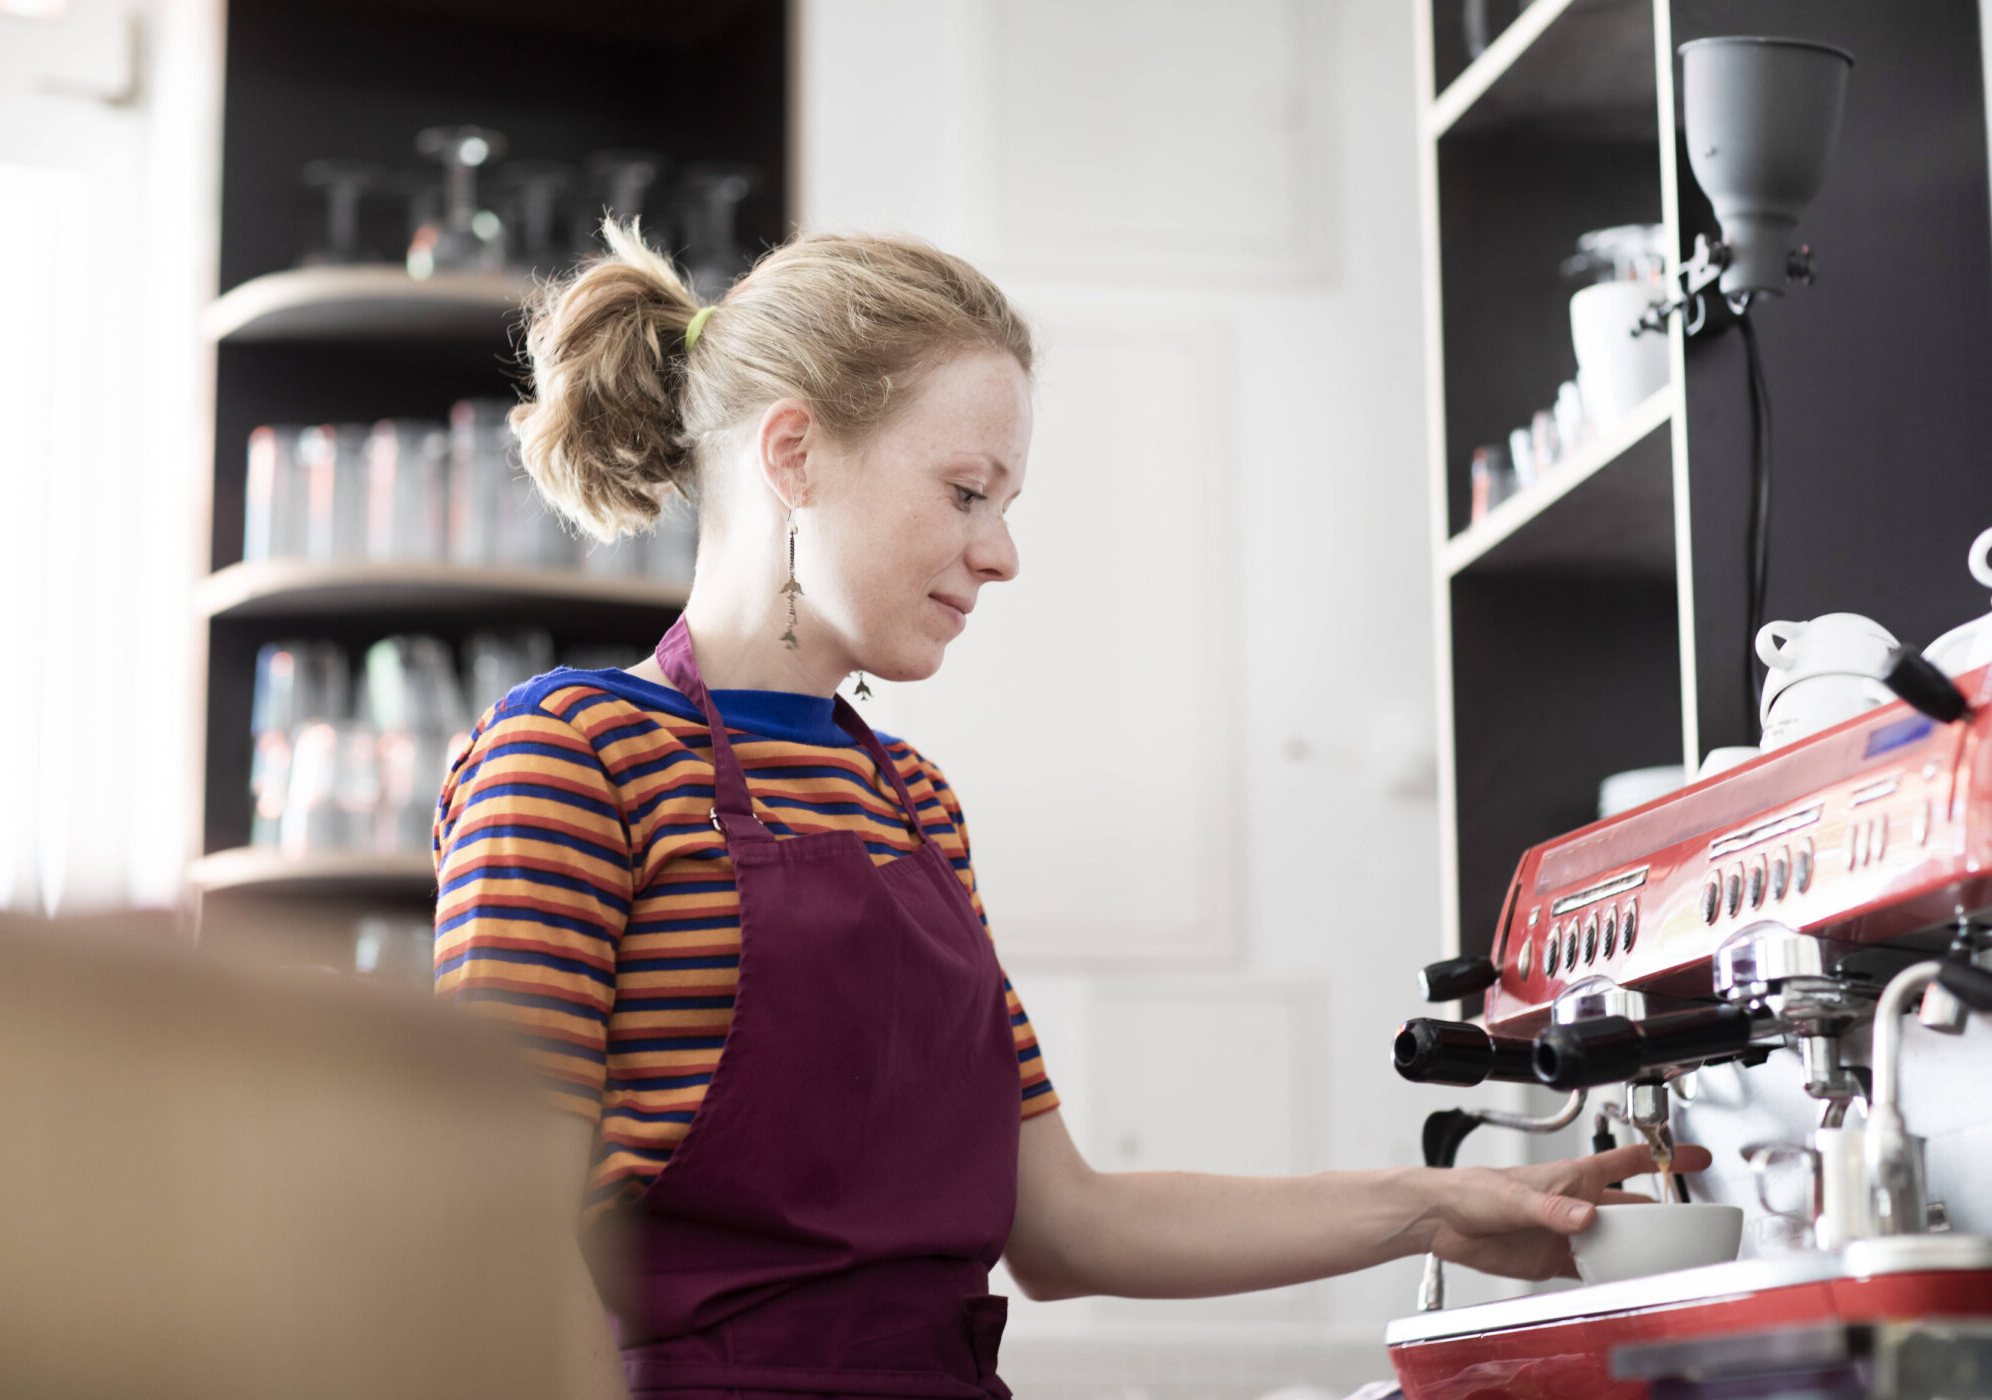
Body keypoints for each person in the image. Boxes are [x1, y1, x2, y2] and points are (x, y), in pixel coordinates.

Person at [431, 221, 1709, 1399]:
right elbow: (490, 1234)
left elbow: (1064, 1220)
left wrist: (1445, 1206)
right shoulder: (572, 757)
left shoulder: (913, 805)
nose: (1001, 552)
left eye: (1007, 505)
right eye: (965, 490)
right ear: (795, 452)